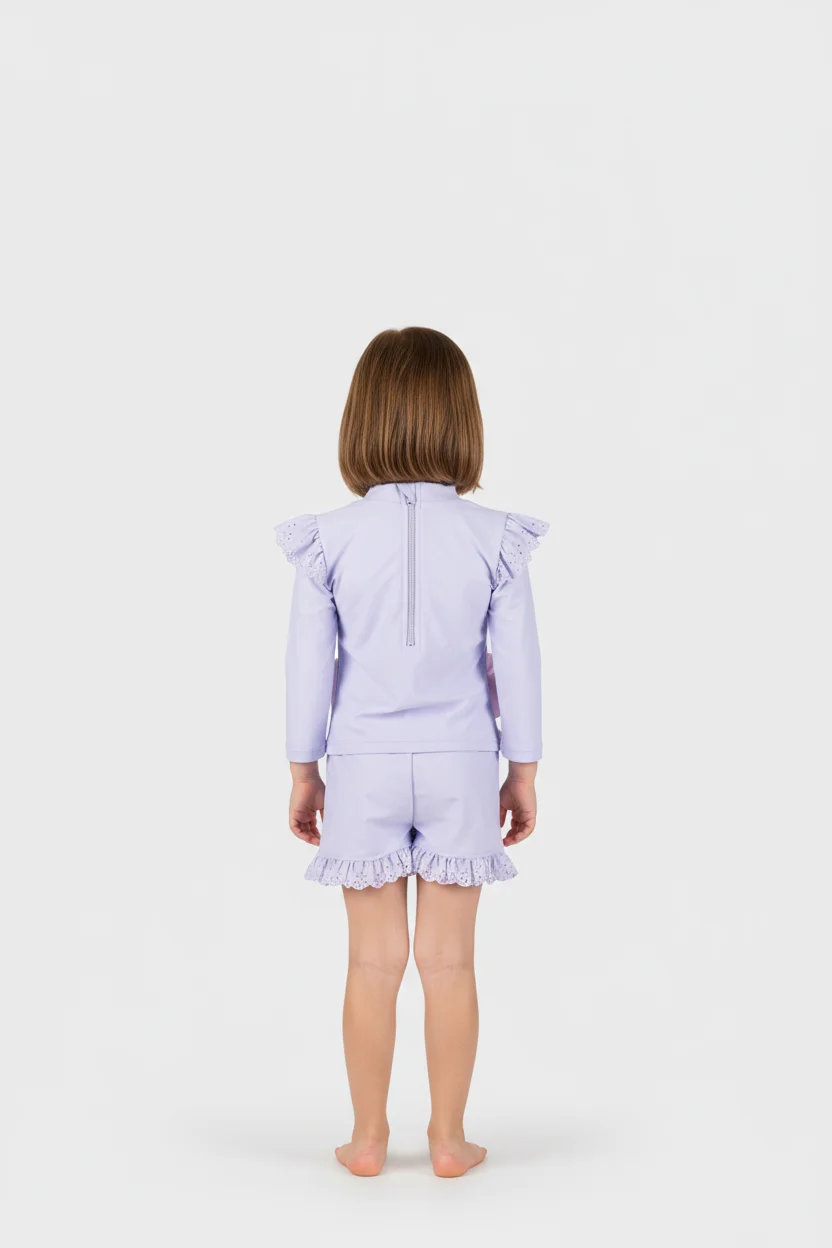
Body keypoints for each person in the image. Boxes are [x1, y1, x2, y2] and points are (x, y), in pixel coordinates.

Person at [274, 326, 548, 1178]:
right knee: (451, 961)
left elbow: (307, 664)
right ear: (462, 419)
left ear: (361, 419)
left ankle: (366, 1140)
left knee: (371, 961)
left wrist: (303, 769)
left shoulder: (328, 539)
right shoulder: (496, 537)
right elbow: (520, 662)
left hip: (361, 765)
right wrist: (524, 768)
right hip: (465, 760)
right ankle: (449, 1140)